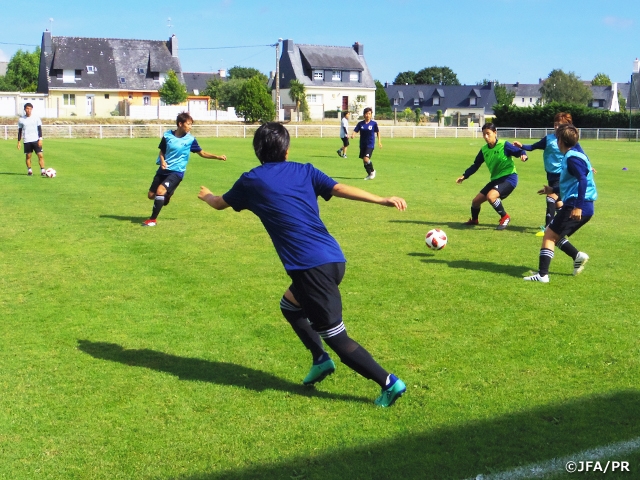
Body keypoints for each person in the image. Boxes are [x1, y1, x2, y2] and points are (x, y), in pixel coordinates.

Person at [198, 122, 407, 407]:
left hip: (311, 270)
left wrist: (207, 195)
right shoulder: (305, 170)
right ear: (287, 150)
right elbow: (339, 187)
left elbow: (219, 203)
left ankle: (389, 382)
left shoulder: (252, 180)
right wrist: (381, 199)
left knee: (337, 337)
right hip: (334, 259)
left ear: (257, 151)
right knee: (290, 305)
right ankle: (320, 360)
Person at [524, 124, 596, 283]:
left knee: (549, 235)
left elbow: (582, 180)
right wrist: (553, 189)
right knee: (555, 233)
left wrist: (577, 206)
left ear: (560, 141)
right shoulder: (575, 155)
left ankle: (543, 275)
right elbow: (572, 183)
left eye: (557, 138)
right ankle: (577, 256)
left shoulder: (572, 158)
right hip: (585, 205)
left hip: (577, 205)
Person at [142, 112, 226, 227]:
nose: (190, 127)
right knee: (151, 195)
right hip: (163, 170)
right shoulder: (167, 136)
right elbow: (162, 151)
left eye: (191, 124)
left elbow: (202, 153)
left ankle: (152, 220)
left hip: (177, 172)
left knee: (160, 191)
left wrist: (217, 157)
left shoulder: (190, 140)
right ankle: (167, 195)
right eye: (188, 124)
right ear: (180, 124)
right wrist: (162, 161)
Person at [513, 112, 582, 236]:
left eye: (559, 125)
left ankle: (548, 229)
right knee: (558, 203)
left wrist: (588, 165)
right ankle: (565, 223)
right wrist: (522, 146)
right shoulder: (549, 138)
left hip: (563, 175)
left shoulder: (569, 140)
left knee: (551, 198)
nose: (556, 127)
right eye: (555, 124)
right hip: (551, 176)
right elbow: (534, 146)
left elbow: (581, 154)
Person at [456, 123, 528, 230]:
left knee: (491, 196)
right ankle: (474, 220)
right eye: (484, 134)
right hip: (496, 180)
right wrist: (464, 176)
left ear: (495, 133)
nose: (486, 137)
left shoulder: (504, 145)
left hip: (509, 178)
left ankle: (505, 217)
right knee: (475, 202)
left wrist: (523, 155)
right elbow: (476, 165)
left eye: (488, 134)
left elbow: (519, 151)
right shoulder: (484, 150)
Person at [350, 107, 381, 180]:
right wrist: (353, 134)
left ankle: (373, 171)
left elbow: (378, 132)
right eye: (366, 114)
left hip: (370, 144)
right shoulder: (360, 124)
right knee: (364, 161)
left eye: (369, 114)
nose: (368, 115)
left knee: (366, 159)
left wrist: (379, 141)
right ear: (364, 115)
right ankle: (369, 174)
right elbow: (355, 130)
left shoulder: (374, 124)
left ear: (371, 115)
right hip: (362, 144)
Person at [17, 103, 46, 176]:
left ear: (32, 109)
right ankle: (29, 170)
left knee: (40, 155)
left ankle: (43, 170)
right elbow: (20, 131)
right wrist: (19, 141)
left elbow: (39, 129)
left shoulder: (36, 118)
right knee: (28, 156)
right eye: (27, 108)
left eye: (30, 108)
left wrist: (40, 139)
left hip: (36, 140)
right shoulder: (21, 119)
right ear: (24, 109)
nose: (28, 110)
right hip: (27, 140)